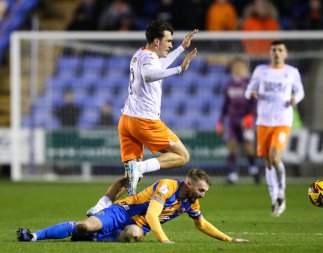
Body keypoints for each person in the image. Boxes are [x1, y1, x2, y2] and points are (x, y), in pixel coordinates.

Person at [87, 20, 199, 215]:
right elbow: (149, 74)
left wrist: (182, 47)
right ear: (157, 41)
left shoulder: (140, 54)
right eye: (169, 41)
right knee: (183, 156)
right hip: (144, 121)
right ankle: (140, 167)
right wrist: (180, 69)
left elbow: (159, 65)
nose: (171, 44)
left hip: (127, 121)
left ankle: (100, 206)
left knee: (131, 177)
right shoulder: (148, 59)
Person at [17, 168, 249, 244]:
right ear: (188, 184)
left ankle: (92, 239)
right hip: (121, 212)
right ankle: (34, 236)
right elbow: (152, 214)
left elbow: (202, 224)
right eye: (201, 190)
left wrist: (229, 240)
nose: (203, 195)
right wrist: (165, 240)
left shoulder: (191, 201)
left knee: (134, 235)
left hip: (138, 225)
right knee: (85, 224)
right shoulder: (167, 187)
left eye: (205, 192)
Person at [244, 41, 305, 217]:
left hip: (283, 120)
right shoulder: (261, 71)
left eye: (280, 50)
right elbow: (248, 91)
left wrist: (295, 99)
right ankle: (273, 198)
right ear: (270, 53)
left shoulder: (291, 72)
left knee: (275, 157)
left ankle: (281, 193)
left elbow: (300, 91)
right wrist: (252, 93)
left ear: (285, 54)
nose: (277, 53)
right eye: (274, 50)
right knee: (268, 161)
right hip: (263, 121)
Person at [215, 57, 260, 185]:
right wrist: (220, 121)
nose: (238, 68)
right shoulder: (229, 84)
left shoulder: (250, 83)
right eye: (236, 66)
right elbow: (225, 105)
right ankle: (232, 174)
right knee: (231, 146)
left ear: (245, 68)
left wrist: (251, 116)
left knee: (248, 146)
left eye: (240, 66)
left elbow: (254, 102)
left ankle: (253, 169)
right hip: (232, 120)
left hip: (246, 120)